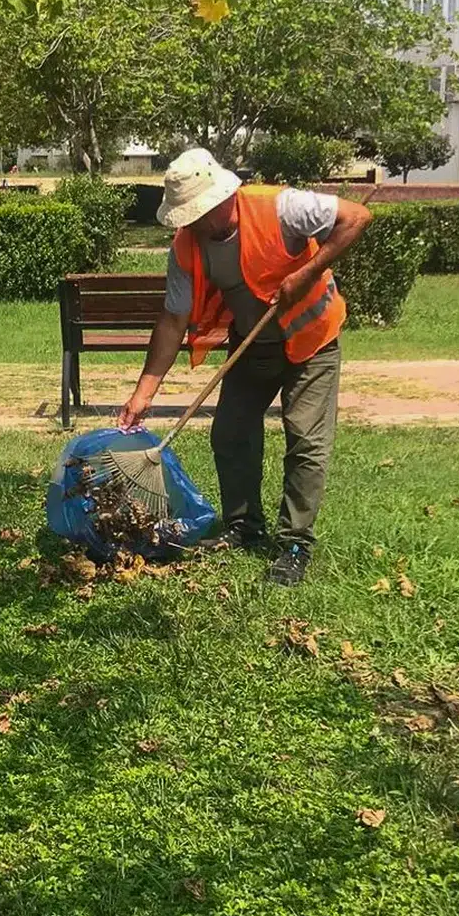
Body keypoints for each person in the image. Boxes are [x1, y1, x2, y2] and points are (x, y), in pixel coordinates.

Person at [118, 147, 372, 587]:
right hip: (252, 346)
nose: (189, 224)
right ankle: (243, 527)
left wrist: (307, 273)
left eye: (194, 214)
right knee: (231, 432)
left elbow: (356, 218)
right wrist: (144, 393)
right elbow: (173, 318)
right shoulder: (186, 248)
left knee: (306, 440)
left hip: (312, 342)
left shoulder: (280, 207)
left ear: (219, 200)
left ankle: (294, 544)